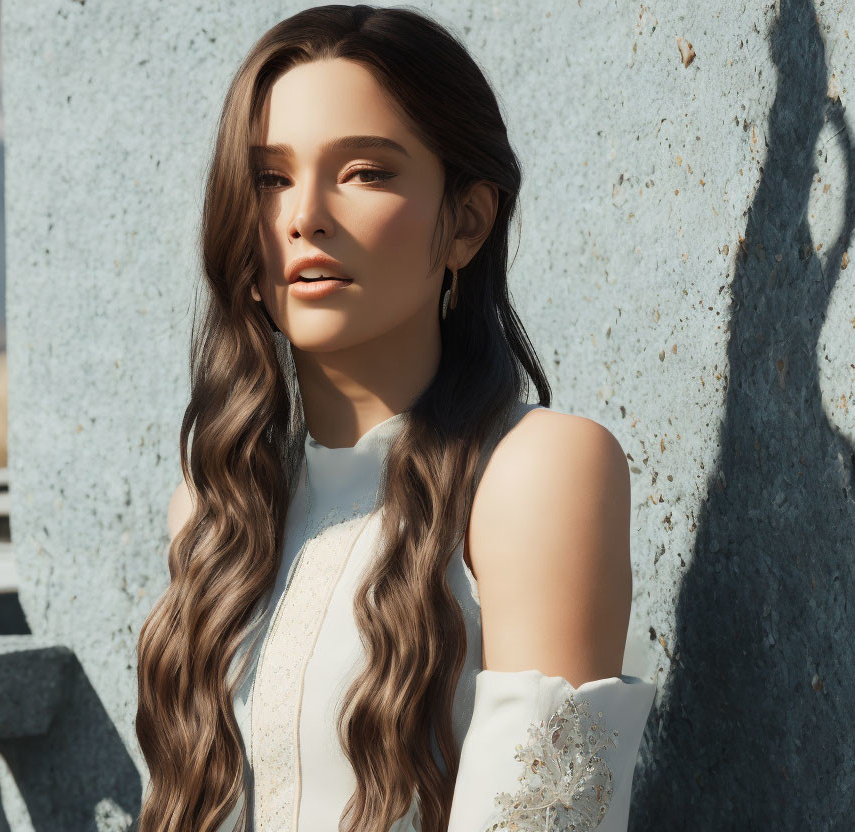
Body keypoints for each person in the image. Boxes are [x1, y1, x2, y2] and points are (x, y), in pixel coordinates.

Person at [136, 6, 656, 831]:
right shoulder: (212, 513)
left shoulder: (536, 473)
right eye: (270, 178)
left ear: (467, 221)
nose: (304, 215)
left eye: (366, 172)